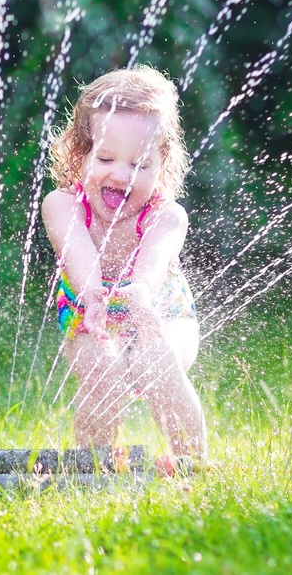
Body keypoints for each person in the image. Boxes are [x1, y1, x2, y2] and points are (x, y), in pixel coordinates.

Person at [41, 64, 207, 460]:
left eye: (139, 165)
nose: (121, 174)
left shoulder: (166, 215)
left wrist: (140, 297)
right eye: (107, 158)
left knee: (156, 362)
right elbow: (77, 252)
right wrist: (93, 292)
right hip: (87, 311)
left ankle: (190, 463)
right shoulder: (62, 205)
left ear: (161, 167)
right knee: (101, 371)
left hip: (160, 310)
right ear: (79, 154)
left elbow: (152, 264)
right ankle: (93, 466)